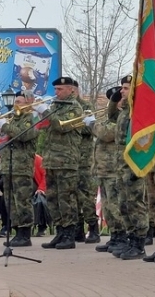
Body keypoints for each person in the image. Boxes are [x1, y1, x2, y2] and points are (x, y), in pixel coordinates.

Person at [40, 76, 84, 250]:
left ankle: (69, 234)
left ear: (70, 90)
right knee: (52, 198)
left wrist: (44, 111)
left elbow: (61, 126)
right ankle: (59, 231)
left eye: (60, 89)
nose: (56, 92)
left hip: (66, 160)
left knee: (66, 198)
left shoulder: (75, 108)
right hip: (51, 160)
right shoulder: (56, 106)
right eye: (56, 89)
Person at [0, 90, 39, 247]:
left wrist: (5, 126)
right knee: (10, 201)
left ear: (28, 104)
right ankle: (16, 231)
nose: (16, 105)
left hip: (22, 166)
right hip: (8, 166)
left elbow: (24, 135)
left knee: (22, 200)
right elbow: (3, 142)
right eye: (15, 102)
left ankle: (25, 233)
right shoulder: (12, 120)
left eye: (19, 102)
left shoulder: (31, 118)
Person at [114, 74, 150, 260]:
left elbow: (143, 140)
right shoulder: (124, 111)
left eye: (126, 88)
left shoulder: (138, 111)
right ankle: (130, 238)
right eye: (122, 88)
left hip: (133, 164)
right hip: (121, 165)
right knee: (123, 204)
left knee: (136, 203)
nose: (122, 91)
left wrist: (138, 166)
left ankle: (140, 242)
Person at [93, 83, 128, 254]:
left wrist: (93, 124)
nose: (117, 103)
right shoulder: (110, 118)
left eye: (120, 99)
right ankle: (114, 236)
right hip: (104, 170)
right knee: (107, 207)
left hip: (114, 169)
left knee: (115, 206)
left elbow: (106, 134)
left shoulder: (124, 119)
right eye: (115, 100)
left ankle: (122, 236)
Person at [70, 80, 100, 244]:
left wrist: (73, 125)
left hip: (83, 158)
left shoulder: (86, 106)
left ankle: (93, 227)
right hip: (69, 157)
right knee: (71, 196)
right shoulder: (63, 107)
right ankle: (77, 229)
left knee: (84, 194)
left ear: (74, 90)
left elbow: (90, 128)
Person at [33, 153, 49, 237]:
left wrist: (41, 188)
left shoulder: (38, 159)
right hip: (25, 186)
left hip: (38, 186)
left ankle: (42, 226)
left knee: (40, 200)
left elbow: (45, 175)